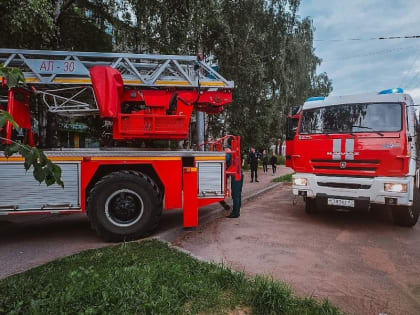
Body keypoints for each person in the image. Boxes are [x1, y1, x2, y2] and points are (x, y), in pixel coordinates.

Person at [224, 146, 244, 218]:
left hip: (236, 176)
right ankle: (237, 209)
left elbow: (225, 159)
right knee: (238, 194)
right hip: (239, 174)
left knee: (235, 194)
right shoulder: (233, 154)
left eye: (225, 150)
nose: (225, 151)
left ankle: (235, 213)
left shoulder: (229, 154)